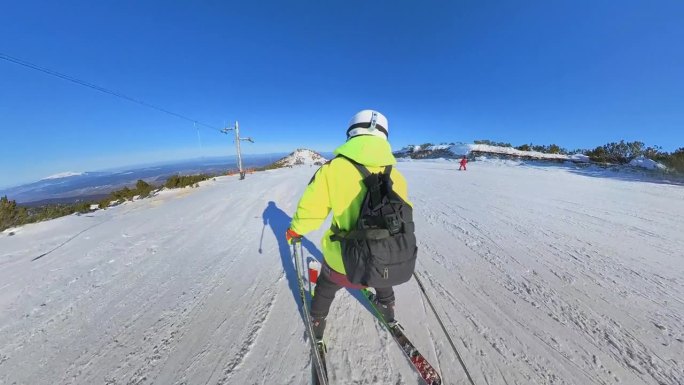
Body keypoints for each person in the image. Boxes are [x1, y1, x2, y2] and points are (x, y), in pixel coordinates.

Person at [285, 109, 412, 342]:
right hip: (387, 259)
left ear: (352, 133)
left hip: (345, 259)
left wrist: (295, 230)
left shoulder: (333, 170)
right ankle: (388, 308)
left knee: (326, 285)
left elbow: (312, 210)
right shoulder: (397, 175)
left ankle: (317, 320)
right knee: (382, 276)